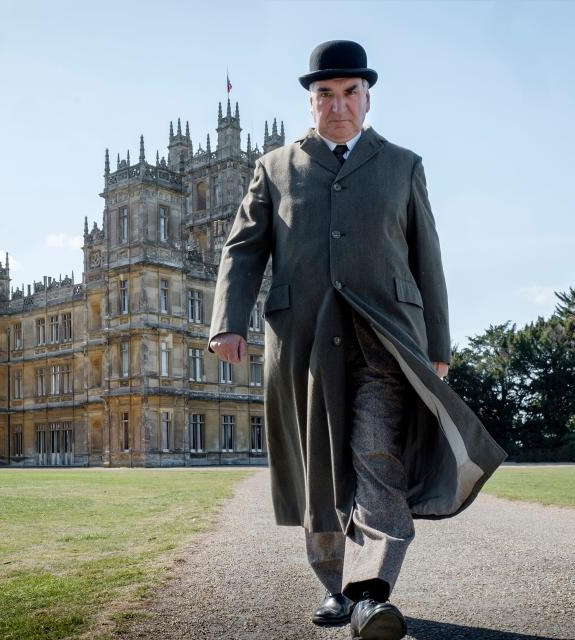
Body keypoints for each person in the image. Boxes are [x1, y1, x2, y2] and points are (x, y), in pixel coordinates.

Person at [208, 40, 506, 640]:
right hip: (305, 334)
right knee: (318, 464)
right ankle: (333, 584)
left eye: (349, 93)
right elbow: (242, 249)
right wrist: (226, 321)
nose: (337, 104)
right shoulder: (274, 166)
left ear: (367, 100)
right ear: (310, 101)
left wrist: (438, 344)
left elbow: (429, 259)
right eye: (325, 94)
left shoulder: (403, 164)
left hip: (387, 334)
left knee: (377, 455)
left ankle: (370, 592)